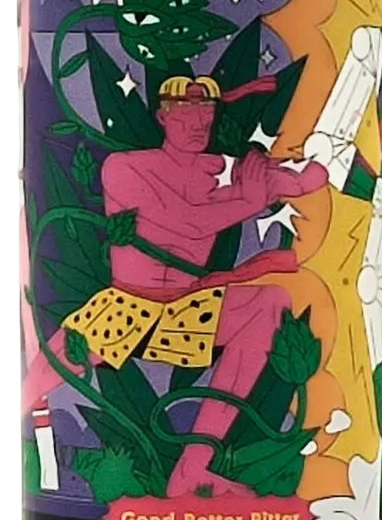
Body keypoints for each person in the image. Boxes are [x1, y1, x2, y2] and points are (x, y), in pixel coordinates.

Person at [22, 75, 327, 496]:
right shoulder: (125, 167)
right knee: (42, 374)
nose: (198, 122)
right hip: (127, 306)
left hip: (188, 310)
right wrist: (250, 199)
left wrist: (325, 149)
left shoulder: (224, 171)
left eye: (205, 112)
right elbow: (184, 221)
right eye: (185, 112)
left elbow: (305, 179)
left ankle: (193, 469)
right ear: (163, 116)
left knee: (270, 301)